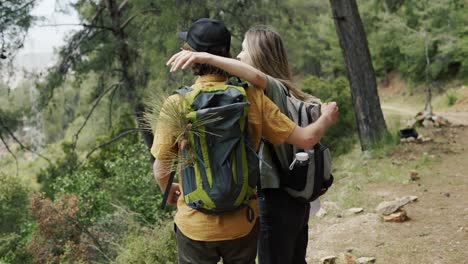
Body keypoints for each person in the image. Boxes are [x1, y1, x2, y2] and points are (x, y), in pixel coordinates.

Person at [155, 19, 338, 264]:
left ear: (192, 57)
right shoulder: (251, 97)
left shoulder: (176, 103)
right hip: (242, 222)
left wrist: (168, 189)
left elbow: (160, 168)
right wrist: (326, 118)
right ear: (228, 54)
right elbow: (306, 138)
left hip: (195, 225)